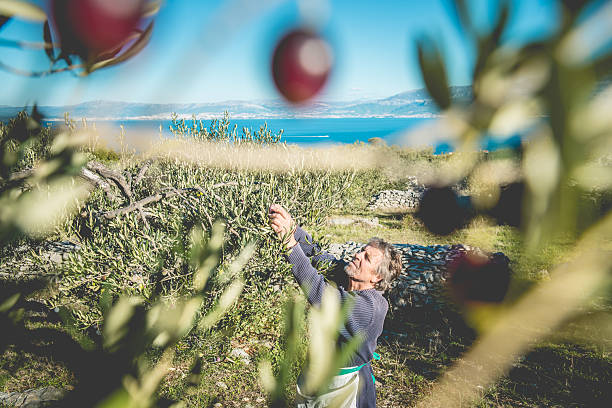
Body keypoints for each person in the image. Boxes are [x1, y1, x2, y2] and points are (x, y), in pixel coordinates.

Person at [268, 204, 403, 408]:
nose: (357, 255)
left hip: (342, 390)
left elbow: (321, 294)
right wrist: (293, 228)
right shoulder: (347, 277)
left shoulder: (370, 308)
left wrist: (288, 242)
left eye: (366, 258)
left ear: (377, 278)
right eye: (361, 251)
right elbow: (317, 256)